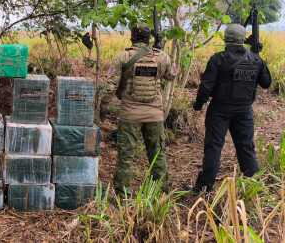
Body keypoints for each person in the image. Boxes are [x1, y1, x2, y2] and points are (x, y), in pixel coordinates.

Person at [192, 24, 271, 193]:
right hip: (244, 111)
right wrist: (258, 57)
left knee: (214, 147)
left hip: (220, 110)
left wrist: (198, 104)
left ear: (226, 38)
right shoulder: (255, 59)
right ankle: (253, 187)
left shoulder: (218, 59)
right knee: (246, 147)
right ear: (242, 39)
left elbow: (206, 87)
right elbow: (266, 83)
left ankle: (205, 187)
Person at [101, 24, 177, 194]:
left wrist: (103, 107)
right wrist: (160, 49)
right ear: (149, 38)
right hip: (155, 114)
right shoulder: (161, 57)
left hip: (129, 114)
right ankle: (160, 190)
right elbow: (171, 75)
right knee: (157, 153)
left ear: (132, 37)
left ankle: (123, 193)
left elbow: (110, 86)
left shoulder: (123, 56)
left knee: (126, 155)